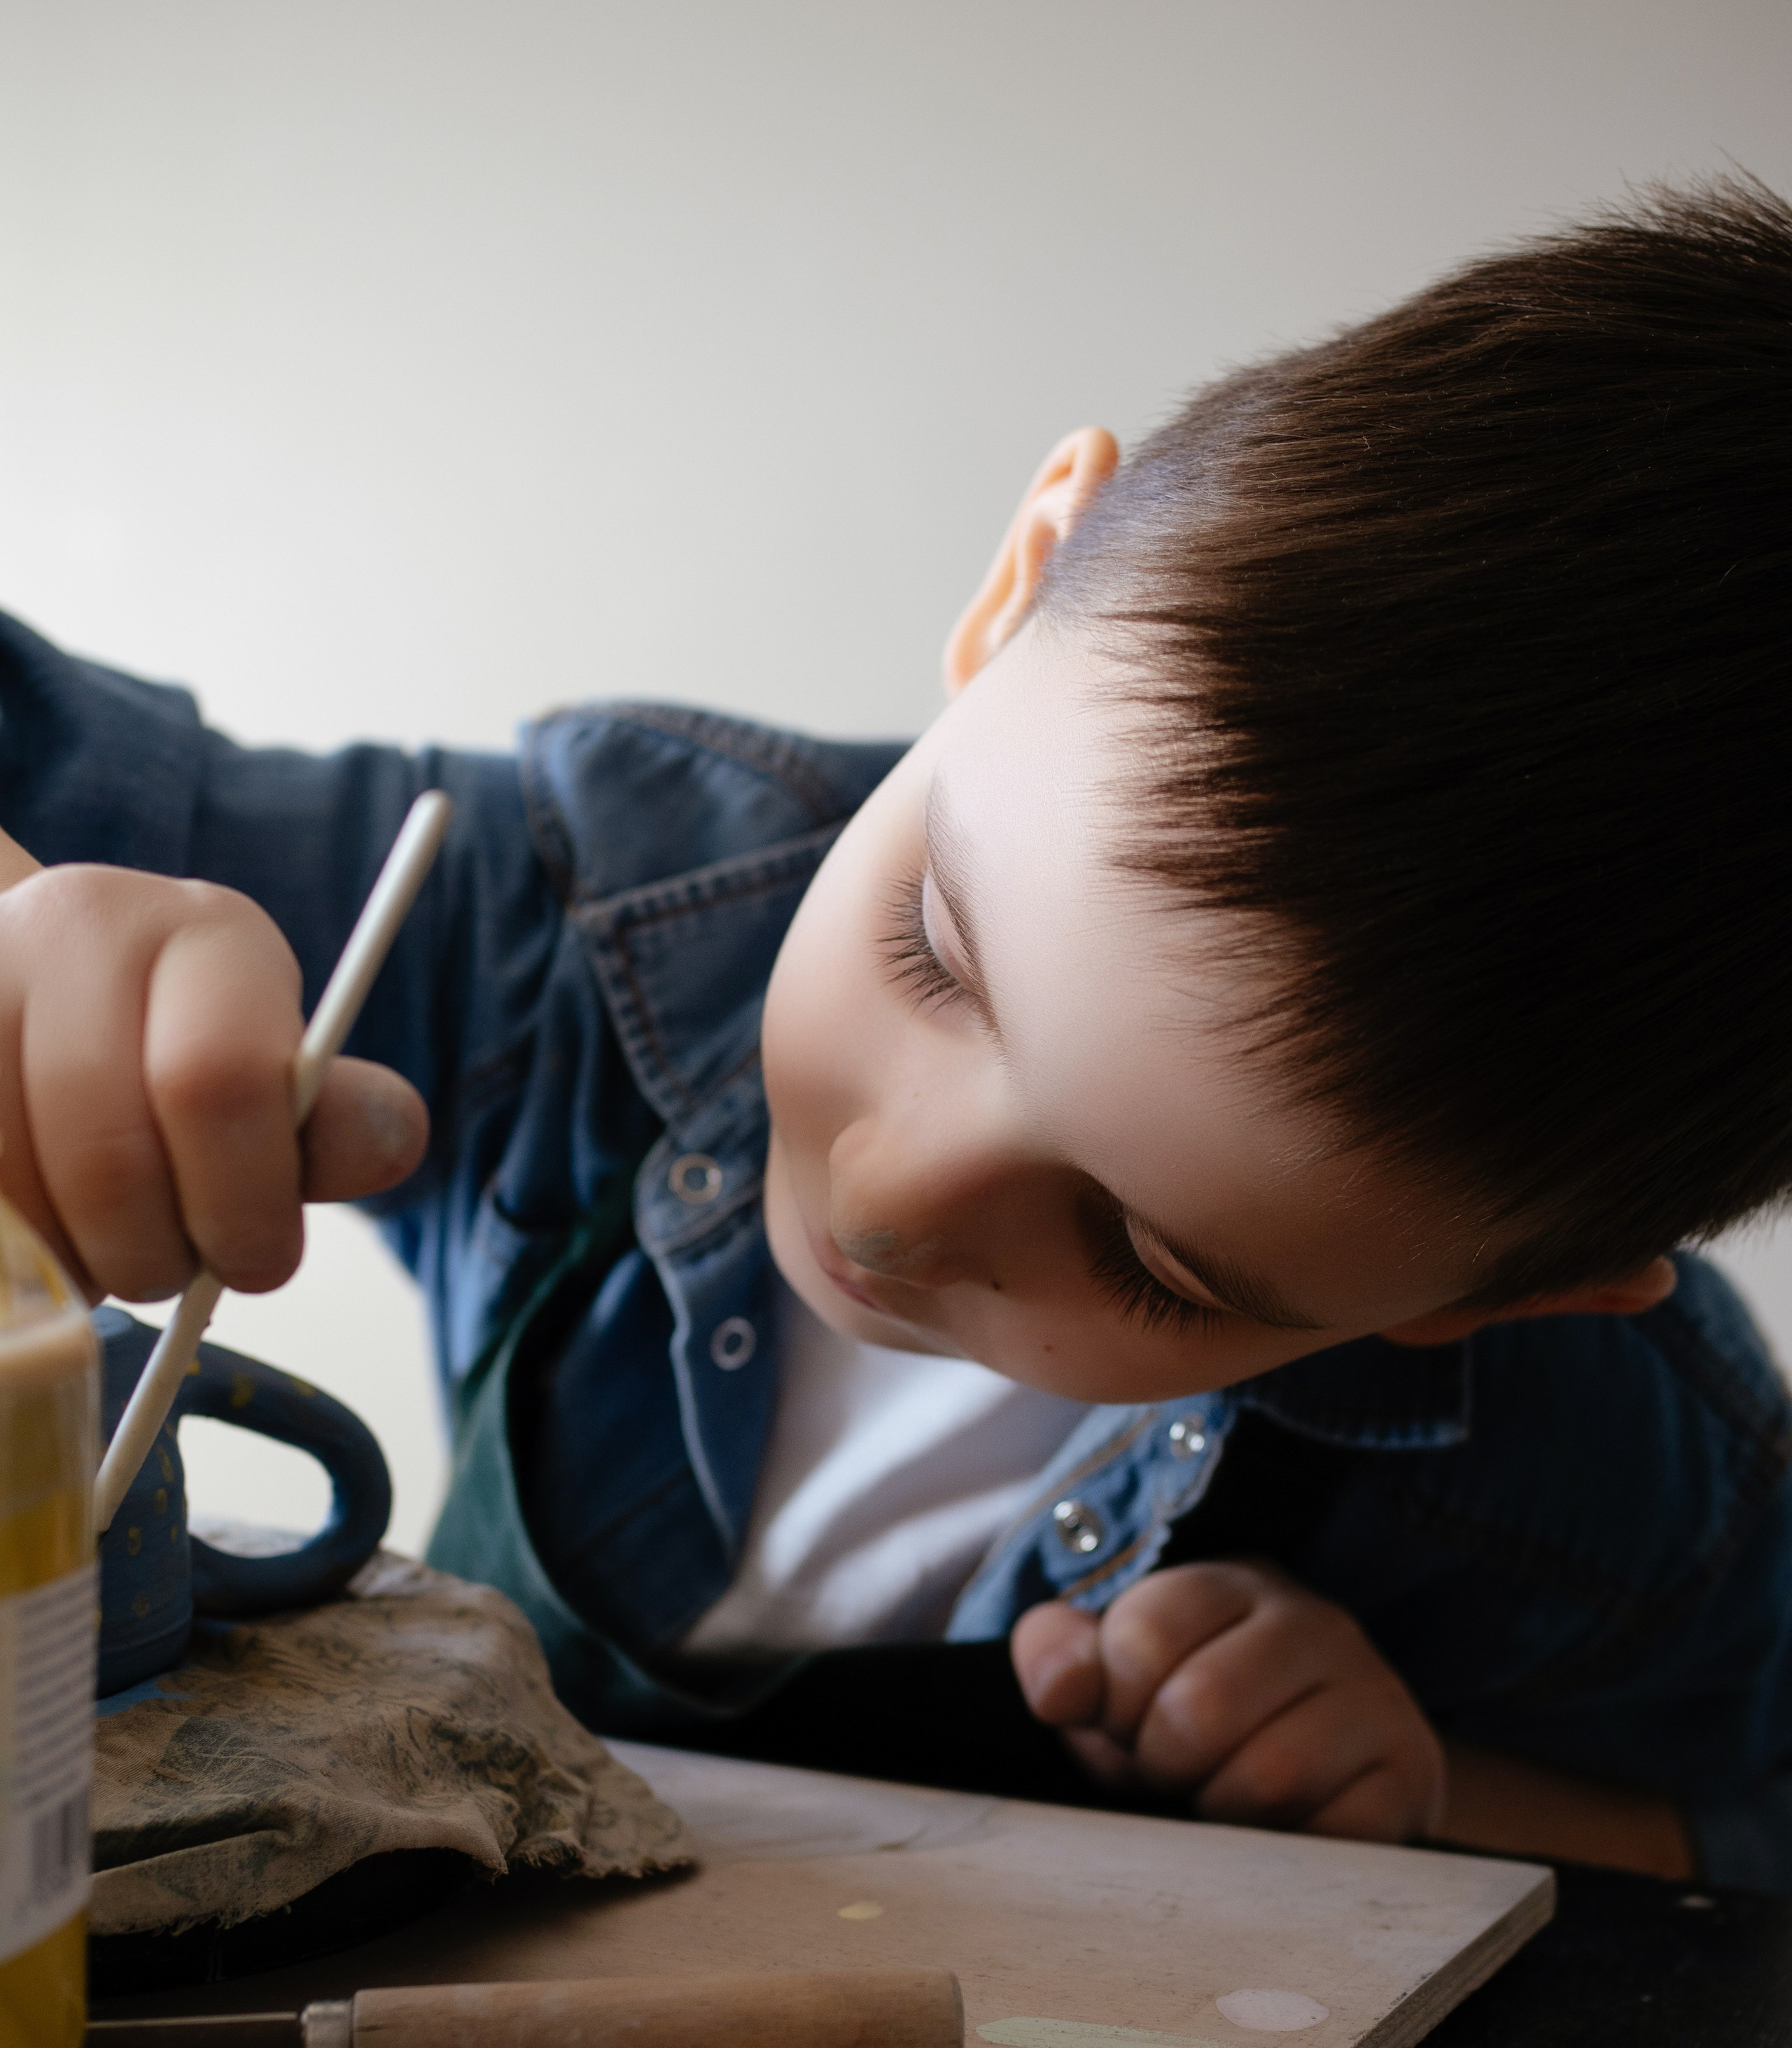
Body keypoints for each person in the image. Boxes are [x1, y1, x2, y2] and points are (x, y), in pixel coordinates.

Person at [2, 177, 1789, 1888]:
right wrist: (32, 918)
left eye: (1152, 1258)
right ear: (1027, 580)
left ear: (1494, 1298)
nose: (883, 1197)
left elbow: (1747, 1836)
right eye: (934, 948)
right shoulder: (588, 924)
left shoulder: (1612, 1460)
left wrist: (1431, 1794)